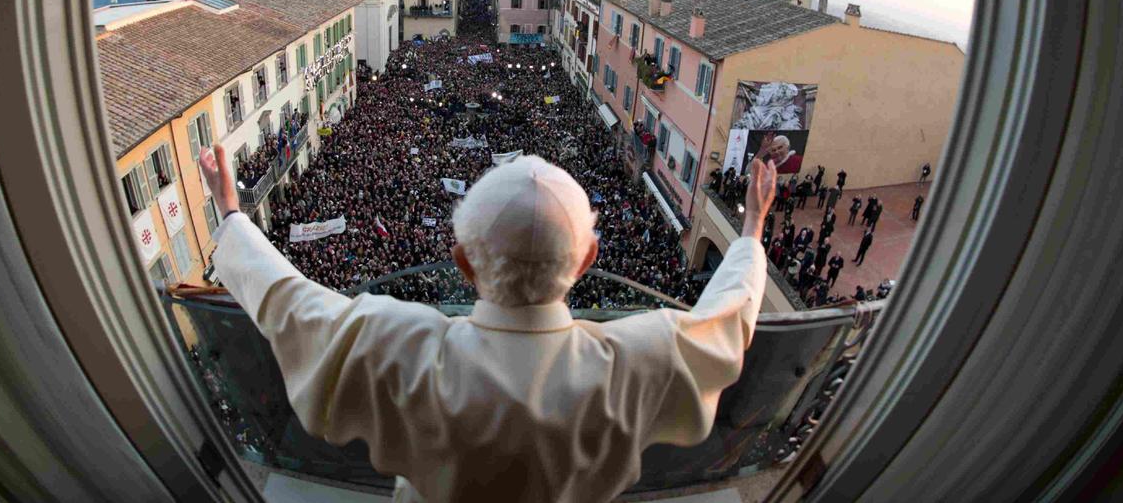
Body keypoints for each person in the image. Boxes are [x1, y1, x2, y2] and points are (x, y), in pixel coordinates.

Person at [201, 146, 778, 503]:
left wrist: (232, 215)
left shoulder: (394, 346)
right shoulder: (640, 359)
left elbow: (287, 301)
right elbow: (725, 322)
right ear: (588, 260)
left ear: (462, 262)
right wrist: (749, 233)